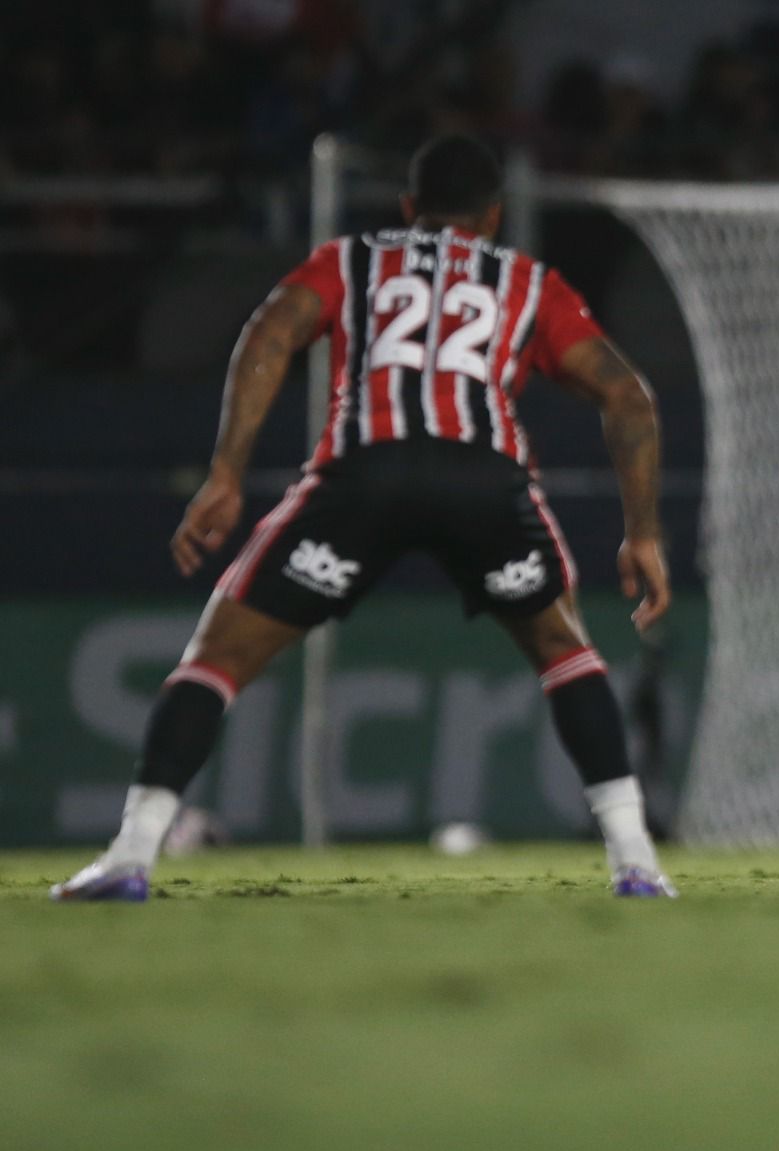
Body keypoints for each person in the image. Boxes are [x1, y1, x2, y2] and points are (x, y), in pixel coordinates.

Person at [53, 134, 677, 901]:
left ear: (410, 210)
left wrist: (226, 473)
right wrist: (641, 531)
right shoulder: (526, 280)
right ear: (494, 216)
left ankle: (129, 855)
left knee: (218, 655)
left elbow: (271, 330)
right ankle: (637, 861)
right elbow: (629, 395)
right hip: (482, 480)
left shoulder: (354, 260)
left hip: (364, 475)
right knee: (563, 650)